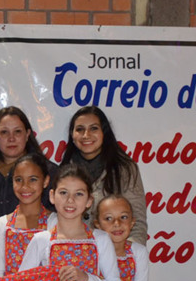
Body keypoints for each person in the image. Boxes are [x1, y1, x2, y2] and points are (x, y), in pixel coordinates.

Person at [60, 105, 148, 245]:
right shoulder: (63, 172)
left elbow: (137, 223)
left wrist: (125, 259)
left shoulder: (125, 169)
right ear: (72, 135)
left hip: (115, 256)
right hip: (74, 257)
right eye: (80, 129)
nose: (86, 135)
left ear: (104, 132)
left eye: (94, 128)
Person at [0, 106, 54, 237]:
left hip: (34, 248)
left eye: (17, 132)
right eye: (4, 132)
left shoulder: (49, 171)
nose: (11, 138)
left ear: (27, 134)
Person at [0, 154, 58, 279]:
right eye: (19, 180)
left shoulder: (55, 222)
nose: (25, 186)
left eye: (33, 179)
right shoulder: (1, 224)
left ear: (46, 181)